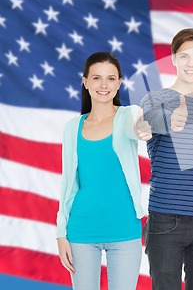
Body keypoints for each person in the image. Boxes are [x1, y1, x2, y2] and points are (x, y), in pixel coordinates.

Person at [56, 52, 152, 290]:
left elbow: (139, 124)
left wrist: (144, 128)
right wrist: (61, 234)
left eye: (111, 79)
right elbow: (68, 183)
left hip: (124, 229)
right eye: (97, 78)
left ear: (119, 83)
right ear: (85, 82)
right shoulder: (72, 128)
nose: (103, 85)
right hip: (81, 230)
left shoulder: (128, 115)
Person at [140, 28, 193, 290]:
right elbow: (149, 121)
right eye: (185, 56)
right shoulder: (155, 100)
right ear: (173, 59)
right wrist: (171, 121)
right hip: (167, 219)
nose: (192, 63)